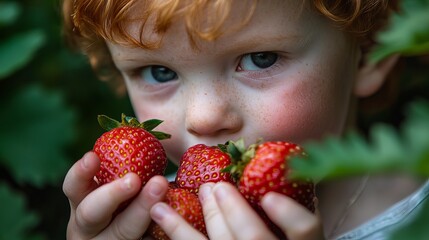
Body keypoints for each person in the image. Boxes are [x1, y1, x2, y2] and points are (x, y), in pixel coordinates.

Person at [61, 0, 428, 239]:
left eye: (260, 59)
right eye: (158, 72)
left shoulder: (415, 224)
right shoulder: (156, 213)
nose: (203, 118)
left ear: (369, 54)